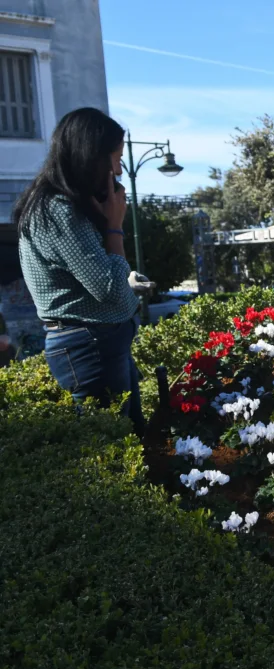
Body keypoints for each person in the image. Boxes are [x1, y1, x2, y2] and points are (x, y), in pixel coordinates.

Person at [14, 107, 144, 434]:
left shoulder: (68, 207)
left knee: (132, 441)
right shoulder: (58, 210)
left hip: (98, 341)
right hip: (90, 343)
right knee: (116, 445)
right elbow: (110, 289)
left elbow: (109, 278)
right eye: (114, 158)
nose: (118, 169)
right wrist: (114, 226)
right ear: (90, 156)